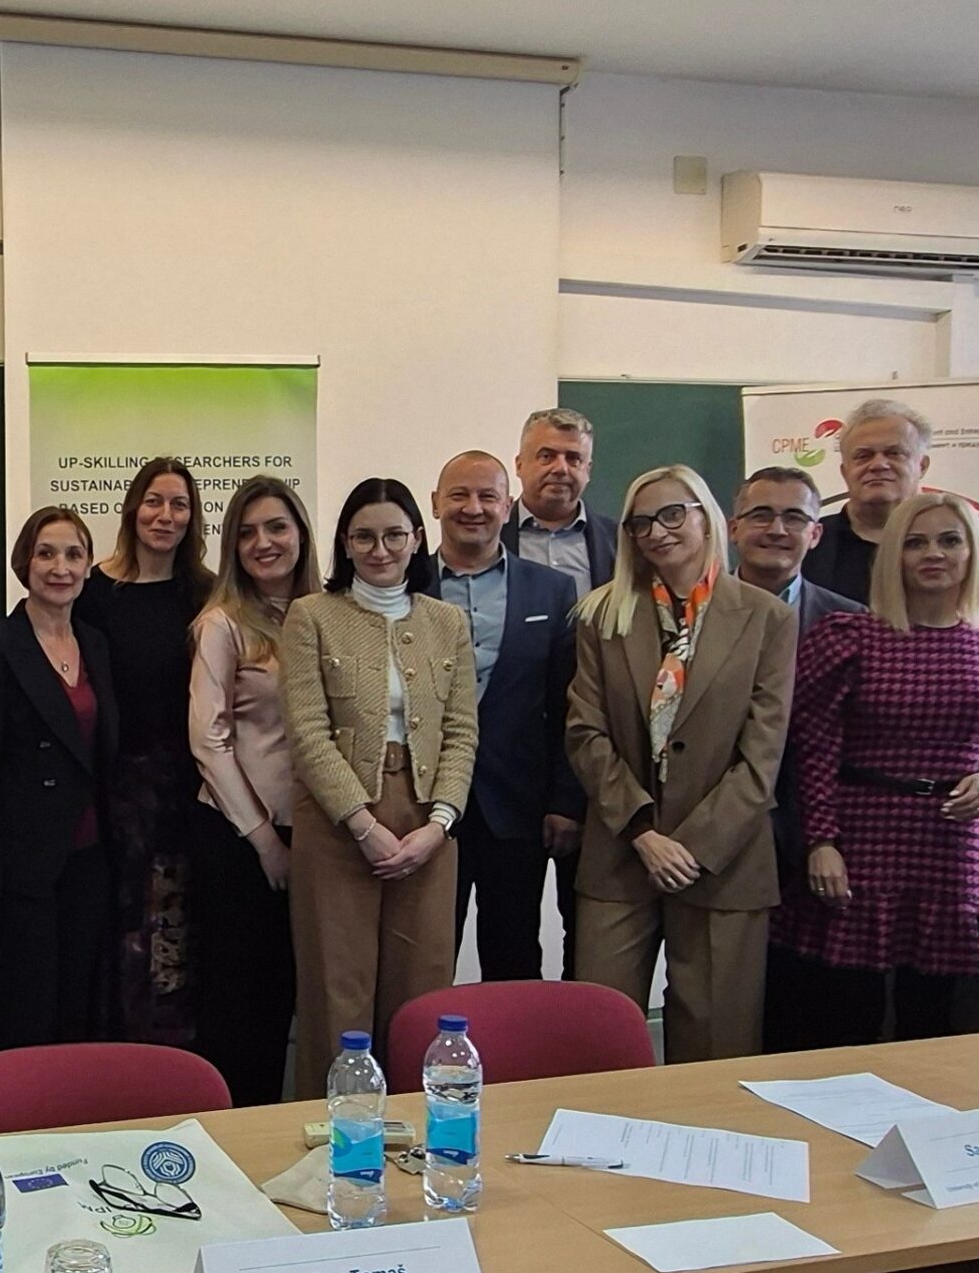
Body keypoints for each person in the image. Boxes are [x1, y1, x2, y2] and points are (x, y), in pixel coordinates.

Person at [770, 493, 979, 1050]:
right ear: (893, 555)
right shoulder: (848, 638)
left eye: (949, 541)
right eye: (915, 543)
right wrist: (821, 842)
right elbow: (812, 749)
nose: (933, 554)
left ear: (973, 553)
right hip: (859, 835)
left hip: (950, 842)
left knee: (934, 1017)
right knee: (845, 1012)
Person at [567, 466, 794, 1063]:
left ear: (708, 518)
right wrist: (644, 833)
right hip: (622, 853)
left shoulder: (766, 617)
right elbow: (585, 734)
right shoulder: (602, 616)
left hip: (724, 859)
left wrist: (689, 847)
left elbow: (762, 754)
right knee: (601, 1037)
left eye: (673, 515)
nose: (657, 532)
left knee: (718, 1039)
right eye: (641, 522)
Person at [281, 478, 478, 1094]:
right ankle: (336, 1127)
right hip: (338, 822)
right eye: (364, 536)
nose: (380, 549)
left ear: (417, 538)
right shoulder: (312, 615)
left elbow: (461, 732)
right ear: (345, 542)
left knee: (421, 988)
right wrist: (362, 825)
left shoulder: (447, 621)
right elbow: (307, 733)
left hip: (427, 822)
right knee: (337, 990)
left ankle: (420, 1121)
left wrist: (439, 825)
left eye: (395, 535)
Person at [0, 508, 118, 1049]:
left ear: (89, 566)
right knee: (23, 1021)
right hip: (21, 870)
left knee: (79, 1020)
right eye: (46, 553)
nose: (60, 567)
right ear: (24, 562)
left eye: (73, 554)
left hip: (89, 859)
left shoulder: (95, 643)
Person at [187, 475, 319, 1104]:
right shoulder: (221, 623)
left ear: (301, 534)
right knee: (239, 1005)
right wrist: (265, 840)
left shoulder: (328, 614)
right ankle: (234, 1130)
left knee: (294, 994)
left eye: (276, 527)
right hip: (239, 838)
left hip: (317, 832)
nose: (263, 542)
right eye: (246, 533)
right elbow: (207, 740)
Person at [432, 451, 586, 981]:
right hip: (424, 811)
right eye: (459, 495)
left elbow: (567, 703)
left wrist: (566, 800)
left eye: (487, 496)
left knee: (515, 955)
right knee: (426, 959)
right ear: (435, 503)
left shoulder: (552, 589)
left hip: (518, 809)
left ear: (508, 505)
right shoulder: (404, 584)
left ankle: (515, 1041)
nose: (473, 508)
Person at [77, 456, 213, 1044]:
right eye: (154, 501)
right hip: (113, 795)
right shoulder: (92, 593)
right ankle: (116, 1063)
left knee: (179, 933)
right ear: (133, 508)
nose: (165, 515)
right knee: (117, 931)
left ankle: (176, 1063)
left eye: (179, 504)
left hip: (192, 793)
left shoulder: (205, 594)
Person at [730, 467, 865, 929]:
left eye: (793, 517)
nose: (777, 529)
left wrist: (825, 837)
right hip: (719, 833)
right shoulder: (691, 614)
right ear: (733, 528)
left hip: (821, 836)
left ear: (816, 534)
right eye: (761, 515)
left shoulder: (852, 623)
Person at [802, 398, 979, 631]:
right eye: (863, 456)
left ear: (922, 465)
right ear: (845, 471)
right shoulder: (811, 542)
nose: (878, 464)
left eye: (894, 453)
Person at [504, 406, 620, 600]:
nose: (560, 469)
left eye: (573, 459)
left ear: (588, 470)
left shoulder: (619, 541)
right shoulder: (491, 535)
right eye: (546, 456)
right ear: (519, 465)